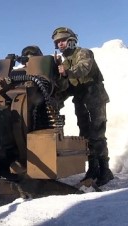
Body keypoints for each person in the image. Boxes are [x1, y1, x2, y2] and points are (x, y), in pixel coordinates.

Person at [52, 26, 114, 186]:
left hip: (94, 97)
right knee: (85, 137)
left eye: (63, 40)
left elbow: (84, 68)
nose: (60, 44)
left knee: (97, 134)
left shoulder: (83, 53)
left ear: (71, 40)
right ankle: (93, 169)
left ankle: (105, 171)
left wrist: (67, 72)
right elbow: (66, 87)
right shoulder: (64, 63)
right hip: (80, 100)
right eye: (57, 42)